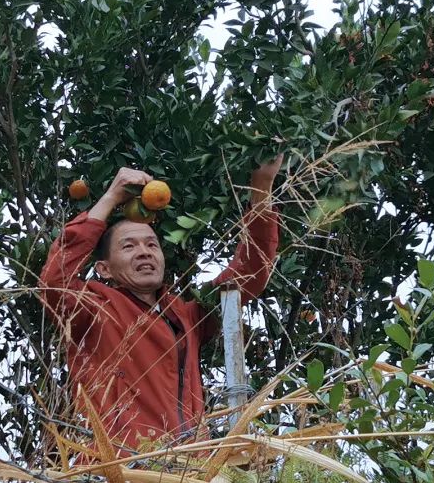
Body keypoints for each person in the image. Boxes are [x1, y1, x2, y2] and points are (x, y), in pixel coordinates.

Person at [39, 156, 283, 450]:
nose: (144, 252)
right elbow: (54, 281)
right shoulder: (95, 309)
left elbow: (249, 271)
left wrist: (262, 186)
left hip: (188, 471)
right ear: (104, 269)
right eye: (128, 246)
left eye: (151, 244)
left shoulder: (186, 314)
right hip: (121, 471)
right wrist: (110, 198)